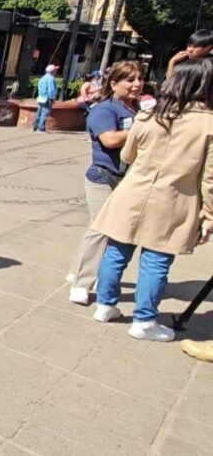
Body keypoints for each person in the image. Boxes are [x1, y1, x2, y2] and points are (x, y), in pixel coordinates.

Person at [88, 57, 213, 341]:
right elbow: (210, 178)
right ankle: (144, 320)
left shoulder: (149, 115)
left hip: (133, 192)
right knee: (156, 260)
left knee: (116, 252)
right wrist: (209, 215)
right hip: (173, 200)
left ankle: (105, 305)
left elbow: (127, 155)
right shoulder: (208, 124)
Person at [66, 61, 143, 305]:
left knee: (98, 228)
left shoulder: (138, 109)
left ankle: (78, 271)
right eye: (130, 80)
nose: (136, 85)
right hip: (103, 177)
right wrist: (144, 129)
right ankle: (81, 283)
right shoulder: (104, 110)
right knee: (101, 228)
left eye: (140, 79)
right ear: (114, 83)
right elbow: (109, 140)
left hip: (127, 178)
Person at [34, 64, 59, 132]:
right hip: (47, 98)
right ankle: (41, 128)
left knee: (39, 112)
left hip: (41, 97)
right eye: (55, 70)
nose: (56, 71)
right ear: (53, 71)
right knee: (45, 113)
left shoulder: (42, 78)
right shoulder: (51, 79)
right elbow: (51, 90)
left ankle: (35, 126)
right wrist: (53, 98)